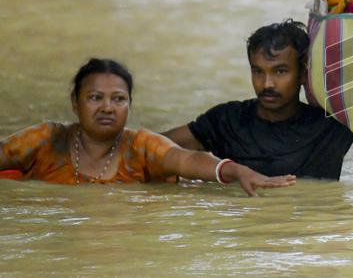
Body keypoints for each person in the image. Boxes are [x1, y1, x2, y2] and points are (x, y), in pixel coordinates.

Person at [163, 0, 353, 179]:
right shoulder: (226, 120)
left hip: (311, 240)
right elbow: (151, 147)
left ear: (303, 72)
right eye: (257, 71)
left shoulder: (331, 123)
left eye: (280, 71)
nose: (267, 85)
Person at [0, 59, 293, 196]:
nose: (107, 107)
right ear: (75, 104)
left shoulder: (140, 146)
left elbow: (188, 159)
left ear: (129, 105)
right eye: (94, 98)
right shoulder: (46, 140)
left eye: (118, 99)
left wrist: (237, 171)